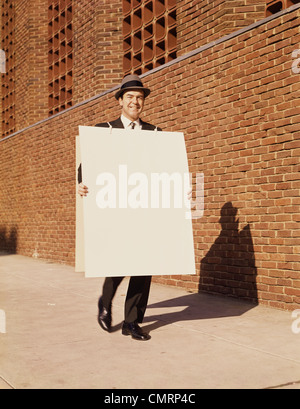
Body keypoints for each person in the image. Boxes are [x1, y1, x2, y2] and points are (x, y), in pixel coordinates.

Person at [78, 75, 162, 341]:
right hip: (115, 207)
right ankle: (105, 302)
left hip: (144, 208)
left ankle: (132, 322)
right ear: (120, 101)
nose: (135, 102)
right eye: (130, 97)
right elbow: (86, 166)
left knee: (143, 265)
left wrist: (177, 187)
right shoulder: (104, 130)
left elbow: (165, 167)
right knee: (118, 261)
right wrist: (81, 183)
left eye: (139, 97)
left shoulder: (155, 133)